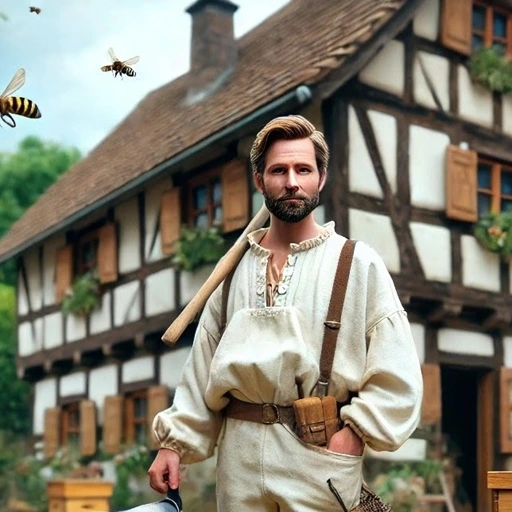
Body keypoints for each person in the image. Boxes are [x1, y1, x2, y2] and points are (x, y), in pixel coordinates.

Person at [148, 115, 423, 511]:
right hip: (238, 463)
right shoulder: (231, 273)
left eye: (303, 169)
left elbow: (398, 378)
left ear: (321, 178)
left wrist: (354, 433)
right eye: (279, 170)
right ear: (260, 180)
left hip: (319, 458)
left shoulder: (357, 263)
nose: (292, 181)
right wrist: (173, 445)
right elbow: (201, 372)